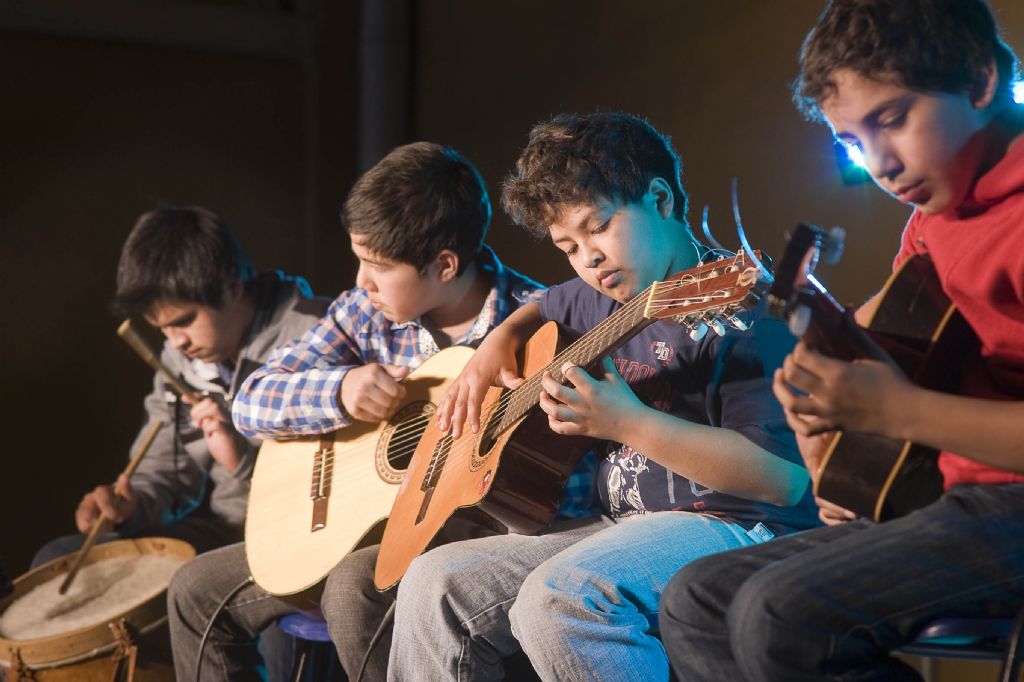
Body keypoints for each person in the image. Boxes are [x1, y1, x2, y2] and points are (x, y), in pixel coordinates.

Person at [658, 1, 1024, 680]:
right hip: (954, 498)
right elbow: (901, 354)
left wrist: (896, 412)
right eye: (853, 140)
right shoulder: (933, 217)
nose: (880, 163)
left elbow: (906, 404)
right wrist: (832, 431)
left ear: (979, 81)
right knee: (695, 601)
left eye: (893, 119)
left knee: (779, 615)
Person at [386, 112, 819, 682]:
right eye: (568, 245)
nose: (588, 258)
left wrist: (628, 425)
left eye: (600, 226)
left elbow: (783, 481)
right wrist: (494, 346)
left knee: (559, 598)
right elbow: (542, 305)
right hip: (621, 524)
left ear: (660, 200)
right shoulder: (602, 296)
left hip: (739, 524)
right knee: (434, 582)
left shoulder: (747, 313)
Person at [166, 142, 562, 682]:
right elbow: (251, 400)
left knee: (353, 590)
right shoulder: (364, 313)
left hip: (465, 535)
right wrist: (340, 390)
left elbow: (550, 493)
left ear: (444, 265)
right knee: (194, 590)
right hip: (349, 528)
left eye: (377, 266)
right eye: (359, 260)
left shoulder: (532, 325)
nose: (360, 282)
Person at [32, 206, 325, 566]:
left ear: (231, 286)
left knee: (190, 582)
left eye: (184, 321)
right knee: (58, 557)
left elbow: (332, 482)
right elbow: (165, 470)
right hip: (228, 531)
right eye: (162, 328)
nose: (175, 342)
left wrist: (241, 464)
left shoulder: (315, 337)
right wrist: (131, 503)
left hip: (298, 534)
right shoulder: (181, 358)